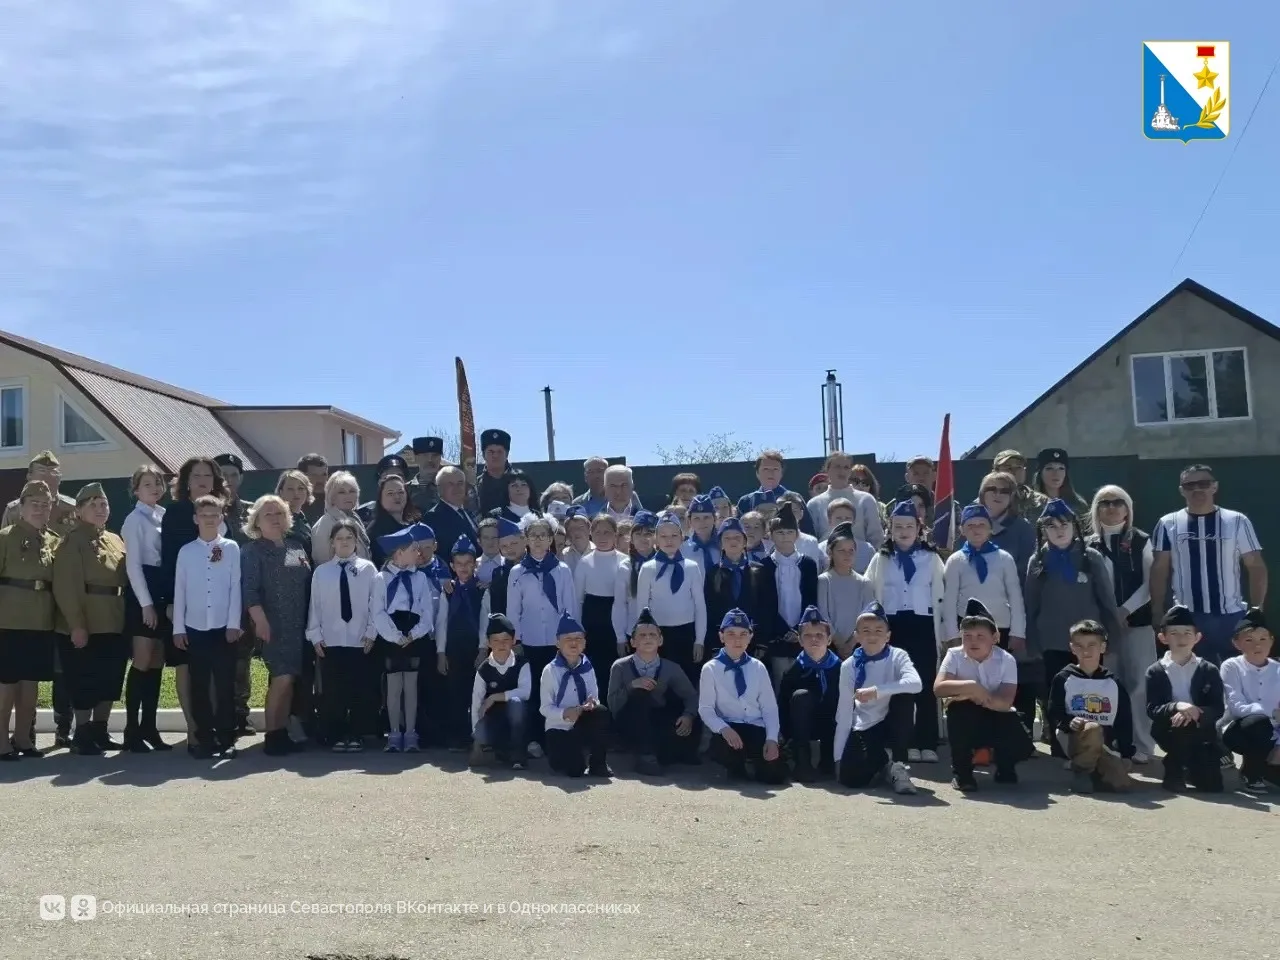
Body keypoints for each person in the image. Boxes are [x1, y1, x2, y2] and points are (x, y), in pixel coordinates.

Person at [1026, 499, 1124, 755]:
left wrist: (1112, 637)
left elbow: (1107, 601)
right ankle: (1061, 745)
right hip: (1052, 641)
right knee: (1057, 693)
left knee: (1092, 692)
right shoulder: (1038, 560)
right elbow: (1031, 605)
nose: (1059, 530)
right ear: (1043, 530)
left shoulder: (1090, 558)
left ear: (1074, 526)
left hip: (1088, 643)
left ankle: (1097, 744)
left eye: (1064, 524)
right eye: (1051, 526)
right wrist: (1032, 641)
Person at [1149, 463, 1266, 666]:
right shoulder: (1168, 523)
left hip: (1232, 616)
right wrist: (1157, 611)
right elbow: (1159, 569)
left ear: (1214, 486)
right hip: (1188, 618)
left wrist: (1257, 609)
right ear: (1181, 490)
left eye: (1203, 483)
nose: (1197, 489)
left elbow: (1255, 566)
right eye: (1190, 485)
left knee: (1237, 672)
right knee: (1194, 674)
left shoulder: (1237, 521)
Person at [864, 501, 946, 763]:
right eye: (898, 526)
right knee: (896, 682)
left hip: (923, 624)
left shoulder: (930, 558)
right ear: (890, 528)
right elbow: (870, 592)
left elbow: (942, 595)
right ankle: (901, 740)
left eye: (909, 526)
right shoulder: (881, 559)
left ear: (919, 528)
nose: (904, 531)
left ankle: (926, 741)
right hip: (893, 626)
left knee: (924, 682)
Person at [51, 483, 129, 756]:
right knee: (83, 678)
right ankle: (82, 733)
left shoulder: (115, 539)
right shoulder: (72, 541)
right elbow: (66, 586)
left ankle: (99, 729)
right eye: (92, 505)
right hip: (87, 621)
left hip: (113, 619)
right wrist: (76, 624)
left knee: (110, 677)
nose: (100, 509)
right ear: (79, 511)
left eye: (103, 504)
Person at [161, 456, 228, 750]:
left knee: (214, 671)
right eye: (196, 475)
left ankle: (212, 728)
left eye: (208, 476)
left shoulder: (222, 512)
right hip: (185, 605)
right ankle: (194, 730)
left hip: (218, 607)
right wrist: (171, 601)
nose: (202, 480)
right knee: (187, 667)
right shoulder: (176, 513)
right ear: (186, 482)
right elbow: (168, 560)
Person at [1088, 484, 1156, 763]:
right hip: (1100, 628)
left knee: (1139, 684)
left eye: (1118, 502)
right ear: (1096, 510)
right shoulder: (1087, 544)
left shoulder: (1141, 540)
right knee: (1105, 685)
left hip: (1137, 623)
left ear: (1128, 509)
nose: (1111, 507)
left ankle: (1142, 745)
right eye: (1104, 502)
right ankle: (1108, 743)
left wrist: (1125, 610)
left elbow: (1150, 582)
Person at [241, 494, 313, 757]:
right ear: (257, 521)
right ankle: (272, 735)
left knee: (290, 679)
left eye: (280, 513)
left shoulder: (295, 546)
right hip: (273, 624)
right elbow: (249, 590)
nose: (275, 518)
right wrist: (260, 620)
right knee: (281, 678)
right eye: (268, 514)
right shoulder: (252, 551)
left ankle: (282, 732)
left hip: (299, 625)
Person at [172, 495, 242, 759]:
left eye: (214, 515)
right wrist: (178, 628)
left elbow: (235, 586)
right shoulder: (186, 551)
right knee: (199, 686)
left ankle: (226, 738)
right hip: (195, 627)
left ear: (221, 517)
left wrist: (233, 624)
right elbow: (180, 590)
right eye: (204, 515)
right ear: (196, 519)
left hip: (223, 627)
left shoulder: (231, 548)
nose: (209, 519)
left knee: (224, 685)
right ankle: (203, 738)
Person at [935, 598, 1031, 791]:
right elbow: (939, 689)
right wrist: (971, 686)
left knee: (1022, 744)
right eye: (967, 636)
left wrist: (973, 693)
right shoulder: (954, 655)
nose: (973, 641)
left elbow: (1005, 702)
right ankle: (963, 774)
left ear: (995, 638)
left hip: (996, 713)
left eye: (980, 636)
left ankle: (1005, 766)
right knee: (959, 712)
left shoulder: (1006, 659)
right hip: (966, 716)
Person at [832, 601, 921, 794]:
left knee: (904, 695)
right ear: (856, 636)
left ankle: (898, 765)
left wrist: (877, 691)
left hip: (893, 720)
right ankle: (883, 763)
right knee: (850, 779)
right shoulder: (849, 665)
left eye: (878, 631)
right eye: (866, 631)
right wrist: (838, 758)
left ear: (888, 636)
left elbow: (916, 683)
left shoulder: (898, 656)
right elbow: (844, 712)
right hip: (866, 724)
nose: (872, 636)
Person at [508, 516, 578, 758]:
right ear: (526, 539)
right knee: (534, 690)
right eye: (533, 536)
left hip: (557, 643)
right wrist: (515, 641)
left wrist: (571, 639)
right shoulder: (518, 572)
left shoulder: (562, 570)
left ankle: (557, 737)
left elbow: (570, 607)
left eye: (543, 536)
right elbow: (513, 610)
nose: (538, 540)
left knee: (558, 689)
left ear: (551, 540)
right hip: (530, 641)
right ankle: (534, 738)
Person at [0, 480, 60, 760]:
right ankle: (1, 741)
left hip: (41, 621)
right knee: (6, 685)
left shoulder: (53, 541)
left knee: (30, 684)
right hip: (9, 621)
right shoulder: (5, 538)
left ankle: (23, 738)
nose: (40, 509)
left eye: (45, 505)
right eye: (34, 504)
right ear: (21, 508)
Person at [307, 518, 377, 752]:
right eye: (339, 538)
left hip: (360, 640)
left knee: (359, 689)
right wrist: (315, 635)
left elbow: (375, 603)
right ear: (332, 542)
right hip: (331, 639)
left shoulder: (368, 569)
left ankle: (356, 733)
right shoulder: (322, 572)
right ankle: (336, 733)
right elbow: (315, 606)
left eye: (349, 538)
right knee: (334, 690)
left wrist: (372, 632)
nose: (344, 542)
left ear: (356, 541)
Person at [698, 609, 787, 784]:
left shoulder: (758, 667)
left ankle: (755, 764)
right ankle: (735, 766)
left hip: (756, 726)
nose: (737, 640)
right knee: (727, 752)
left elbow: (769, 707)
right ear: (721, 636)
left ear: (750, 637)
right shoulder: (711, 669)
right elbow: (706, 709)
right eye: (731, 634)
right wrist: (723, 728)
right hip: (730, 728)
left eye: (743, 634)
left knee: (775, 777)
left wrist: (771, 739)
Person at [608, 607, 699, 775]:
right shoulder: (620, 666)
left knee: (674, 736)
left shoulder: (671, 668)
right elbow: (613, 705)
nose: (648, 638)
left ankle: (661, 751)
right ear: (633, 642)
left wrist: (688, 715)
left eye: (652, 635)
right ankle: (645, 756)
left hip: (656, 719)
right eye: (642, 635)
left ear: (660, 640)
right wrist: (631, 686)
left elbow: (691, 696)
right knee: (640, 694)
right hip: (628, 721)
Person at [1047, 620, 1135, 793]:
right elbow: (1054, 711)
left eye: (1091, 645)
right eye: (1079, 646)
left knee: (1120, 784)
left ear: (1103, 647)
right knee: (1092, 728)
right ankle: (1081, 771)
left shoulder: (1113, 682)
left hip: (1104, 744)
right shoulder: (1064, 678)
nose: (1085, 651)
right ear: (1072, 648)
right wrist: (1068, 722)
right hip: (1074, 738)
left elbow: (1124, 719)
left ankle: (1095, 771)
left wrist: (1126, 754)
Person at [120, 464, 172, 752]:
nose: (154, 488)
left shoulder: (162, 515)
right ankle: (131, 730)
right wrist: (146, 604)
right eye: (147, 484)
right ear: (136, 490)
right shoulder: (134, 520)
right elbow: (133, 566)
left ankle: (149, 728)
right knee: (142, 660)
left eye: (157, 483)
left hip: (161, 587)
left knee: (156, 662)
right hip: (144, 590)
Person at [1144, 604, 1224, 792]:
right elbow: (1152, 709)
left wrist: (1196, 712)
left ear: (1197, 637)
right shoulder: (1155, 671)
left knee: (1212, 786)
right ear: (1163, 638)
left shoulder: (1209, 670)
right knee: (1182, 724)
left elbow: (1218, 708)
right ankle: (1174, 770)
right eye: (1174, 633)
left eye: (1187, 633)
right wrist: (1177, 706)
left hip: (1201, 729)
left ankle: (1192, 766)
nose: (1181, 638)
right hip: (1168, 729)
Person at [371, 522, 434, 754]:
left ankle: (411, 732)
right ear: (399, 553)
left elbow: (427, 611)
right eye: (413, 549)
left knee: (411, 685)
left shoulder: (420, 578)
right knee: (394, 685)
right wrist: (394, 636)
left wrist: (414, 634)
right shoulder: (381, 578)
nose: (418, 553)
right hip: (392, 634)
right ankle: (394, 731)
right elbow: (377, 611)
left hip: (413, 633)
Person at [635, 512, 707, 687]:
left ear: (682, 538)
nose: (669, 540)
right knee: (660, 684)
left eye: (674, 535)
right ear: (656, 539)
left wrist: (699, 640)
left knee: (687, 682)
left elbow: (700, 605)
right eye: (664, 536)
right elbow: (642, 608)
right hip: (659, 635)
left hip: (686, 632)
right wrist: (643, 639)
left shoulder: (692, 567)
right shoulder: (648, 568)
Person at [942, 505, 1026, 653]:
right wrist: (952, 635)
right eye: (970, 525)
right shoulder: (956, 561)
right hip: (969, 629)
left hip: (1000, 627)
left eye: (981, 524)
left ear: (991, 528)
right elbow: (949, 601)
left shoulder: (1004, 558)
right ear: (962, 530)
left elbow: (1015, 598)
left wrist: (1018, 632)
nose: (976, 529)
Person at [540, 612, 611, 778]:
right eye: (568, 639)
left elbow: (594, 696)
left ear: (584, 643)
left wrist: (591, 704)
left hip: (581, 721)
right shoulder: (550, 670)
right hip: (559, 727)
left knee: (601, 711)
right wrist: (564, 713)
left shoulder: (588, 666)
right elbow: (545, 708)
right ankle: (572, 758)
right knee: (574, 770)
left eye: (578, 639)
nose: (574, 643)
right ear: (558, 643)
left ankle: (598, 763)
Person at [1218, 608, 1280, 791]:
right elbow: (1237, 707)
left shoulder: (1278, 668)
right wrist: (1272, 713)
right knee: (1259, 723)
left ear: (1272, 641)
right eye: (1249, 640)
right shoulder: (1231, 666)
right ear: (1236, 643)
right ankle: (1251, 771)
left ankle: (1267, 767)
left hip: (1275, 734)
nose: (1257, 645)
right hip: (1239, 730)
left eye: (1263, 639)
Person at [778, 606, 841, 782]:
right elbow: (783, 706)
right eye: (808, 635)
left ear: (829, 639)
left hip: (832, 725)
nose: (814, 639)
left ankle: (829, 759)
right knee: (801, 696)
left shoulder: (841, 668)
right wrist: (783, 736)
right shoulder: (793, 671)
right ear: (800, 640)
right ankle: (802, 762)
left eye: (819, 635)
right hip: (803, 727)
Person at [758, 504, 818, 688]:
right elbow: (765, 604)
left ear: (797, 535)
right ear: (771, 535)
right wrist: (783, 630)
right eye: (780, 532)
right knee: (779, 681)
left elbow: (811, 599)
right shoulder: (764, 565)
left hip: (803, 632)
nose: (785, 537)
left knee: (803, 682)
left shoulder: (808, 564)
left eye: (789, 532)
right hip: (777, 635)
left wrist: (799, 629)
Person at [434, 535, 483, 751]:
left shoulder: (481, 589)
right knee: (455, 692)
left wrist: (483, 649)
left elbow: (484, 622)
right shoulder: (448, 590)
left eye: (468, 563)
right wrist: (441, 653)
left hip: (474, 648)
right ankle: (456, 735)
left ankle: (476, 736)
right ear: (452, 566)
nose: (463, 568)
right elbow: (441, 623)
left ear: (475, 564)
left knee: (475, 692)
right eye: (459, 564)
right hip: (453, 648)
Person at [703, 517, 774, 658]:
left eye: (737, 537)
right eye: (727, 538)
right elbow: (710, 610)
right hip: (723, 641)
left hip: (753, 641)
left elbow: (767, 608)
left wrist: (762, 642)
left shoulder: (760, 570)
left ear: (745, 541)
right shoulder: (713, 573)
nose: (733, 541)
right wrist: (714, 645)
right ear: (720, 543)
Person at [470, 614, 532, 769]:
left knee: (516, 704)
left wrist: (494, 697)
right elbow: (476, 702)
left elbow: (525, 692)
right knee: (481, 735)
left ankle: (518, 755)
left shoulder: (522, 664)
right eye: (496, 640)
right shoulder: (483, 669)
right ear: (488, 643)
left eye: (505, 639)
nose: (501, 644)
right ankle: (497, 750)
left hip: (516, 719)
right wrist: (476, 734)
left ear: (513, 640)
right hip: (493, 719)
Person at [573, 514, 622, 699]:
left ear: (615, 535)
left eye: (607, 532)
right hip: (592, 619)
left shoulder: (624, 561)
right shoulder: (585, 562)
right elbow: (577, 599)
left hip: (616, 617)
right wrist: (578, 629)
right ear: (591, 534)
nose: (602, 537)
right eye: (598, 532)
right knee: (595, 667)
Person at [817, 522, 874, 659]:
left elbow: (867, 616)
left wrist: (851, 643)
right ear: (830, 552)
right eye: (841, 550)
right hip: (830, 645)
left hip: (857, 645)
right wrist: (839, 642)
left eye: (851, 550)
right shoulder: (824, 580)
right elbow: (823, 615)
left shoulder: (863, 583)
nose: (847, 554)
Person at [805, 451, 883, 545]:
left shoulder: (866, 500)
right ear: (827, 470)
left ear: (850, 472)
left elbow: (876, 537)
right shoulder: (814, 504)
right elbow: (810, 540)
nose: (842, 471)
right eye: (837, 466)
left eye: (846, 467)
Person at [737, 450, 816, 536]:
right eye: (766, 469)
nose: (771, 473)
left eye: (775, 469)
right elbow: (738, 532)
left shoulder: (794, 498)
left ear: (781, 474)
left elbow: (808, 530)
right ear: (757, 473)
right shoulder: (746, 501)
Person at [611, 510, 657, 650]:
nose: (643, 539)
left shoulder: (664, 564)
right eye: (638, 534)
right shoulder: (625, 567)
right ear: (630, 538)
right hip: (634, 633)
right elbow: (619, 605)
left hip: (661, 630)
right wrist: (620, 637)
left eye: (648, 534)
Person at [310, 471, 371, 567]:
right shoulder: (325, 524)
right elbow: (323, 563)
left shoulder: (354, 518)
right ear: (332, 497)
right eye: (342, 492)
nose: (348, 496)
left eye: (352, 491)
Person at [420, 465, 479, 560]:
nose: (457, 488)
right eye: (450, 484)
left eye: (460, 483)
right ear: (439, 489)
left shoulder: (467, 512)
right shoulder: (433, 517)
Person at [367, 475, 419, 568]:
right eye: (390, 493)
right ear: (380, 498)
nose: (397, 497)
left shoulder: (414, 524)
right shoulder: (375, 530)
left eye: (401, 492)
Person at [478, 517, 524, 622]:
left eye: (514, 543)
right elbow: (497, 612)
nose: (509, 549)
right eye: (504, 546)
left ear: (524, 540)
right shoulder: (499, 574)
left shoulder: (539, 567)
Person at [1033, 449, 1091, 532]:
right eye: (1049, 468)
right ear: (1040, 473)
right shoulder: (1031, 504)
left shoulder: (1078, 505)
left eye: (1061, 468)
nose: (1056, 473)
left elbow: (1087, 534)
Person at [990, 450, 1048, 522]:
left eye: (1019, 467)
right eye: (1008, 468)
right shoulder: (986, 501)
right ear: (995, 472)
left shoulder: (1040, 501)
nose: (1014, 471)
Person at [357, 454, 410, 525]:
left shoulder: (417, 514)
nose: (394, 481)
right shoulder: (366, 515)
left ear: (405, 482)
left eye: (398, 476)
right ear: (379, 483)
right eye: (388, 477)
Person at [275, 469, 316, 559]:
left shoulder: (303, 519)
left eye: (300, 488)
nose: (296, 493)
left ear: (307, 491)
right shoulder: (277, 520)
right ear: (281, 492)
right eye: (290, 489)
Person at [215, 453, 253, 543]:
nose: (229, 479)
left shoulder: (253, 510)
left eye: (234, 475)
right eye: (223, 475)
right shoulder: (203, 508)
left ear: (241, 478)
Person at [476, 429, 514, 516]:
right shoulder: (476, 486)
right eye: (491, 452)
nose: (495, 455)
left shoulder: (520, 482)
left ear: (507, 454)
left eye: (500, 452)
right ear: (483, 455)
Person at [681, 495, 720, 577]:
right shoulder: (683, 549)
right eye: (696, 518)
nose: (702, 522)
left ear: (715, 519)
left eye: (706, 517)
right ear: (690, 521)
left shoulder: (724, 546)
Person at [407, 436, 445, 514]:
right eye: (425, 455)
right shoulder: (405, 490)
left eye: (435, 455)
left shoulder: (450, 487)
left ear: (440, 458)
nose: (430, 460)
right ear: (416, 458)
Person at [297, 453, 330, 526]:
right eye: (314, 475)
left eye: (324, 474)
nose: (320, 480)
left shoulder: (335, 499)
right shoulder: (295, 501)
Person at [560, 505, 592, 573]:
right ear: (567, 533)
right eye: (572, 529)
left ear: (589, 529)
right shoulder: (563, 555)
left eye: (581, 527)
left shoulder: (600, 551)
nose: (576, 532)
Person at [475, 518, 503, 586]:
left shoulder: (509, 564)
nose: (490, 542)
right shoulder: (472, 566)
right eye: (486, 538)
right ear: (479, 541)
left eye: (494, 537)